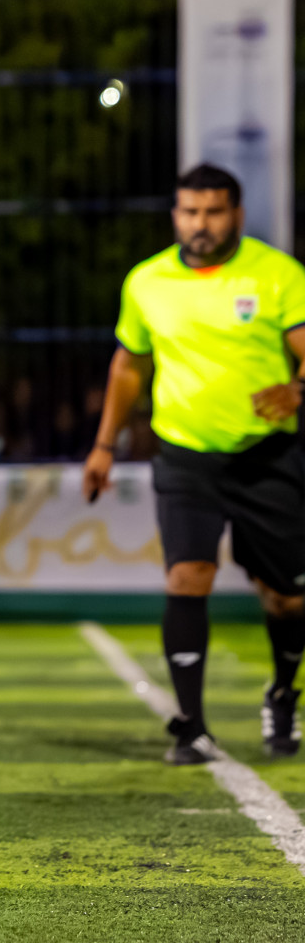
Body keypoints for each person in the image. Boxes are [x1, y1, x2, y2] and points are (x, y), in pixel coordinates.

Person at [84, 163, 305, 765]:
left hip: (269, 457)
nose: (199, 224)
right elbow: (128, 366)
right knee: (187, 578)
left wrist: (297, 391)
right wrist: (104, 446)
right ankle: (192, 727)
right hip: (183, 455)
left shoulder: (278, 274)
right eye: (188, 211)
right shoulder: (146, 281)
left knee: (288, 599)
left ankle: (284, 691)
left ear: (235, 213)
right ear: (175, 213)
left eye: (212, 212)